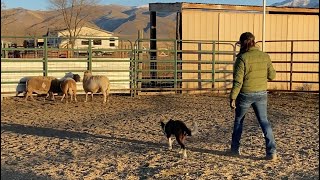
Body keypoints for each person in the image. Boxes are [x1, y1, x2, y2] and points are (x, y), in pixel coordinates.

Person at [229, 32, 277, 161]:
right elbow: (272, 76)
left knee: (239, 121)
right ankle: (271, 152)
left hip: (245, 94)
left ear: (242, 43)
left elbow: (238, 81)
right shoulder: (265, 56)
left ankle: (234, 149)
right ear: (254, 41)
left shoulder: (242, 58)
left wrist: (233, 97)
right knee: (264, 121)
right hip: (261, 93)